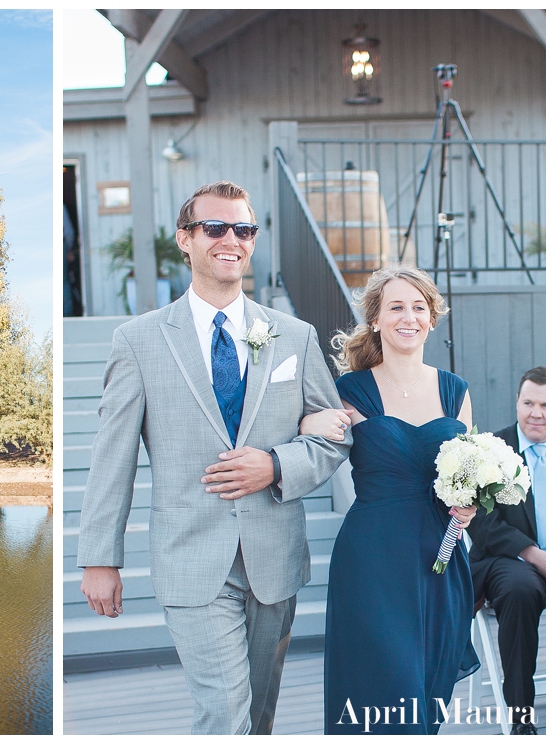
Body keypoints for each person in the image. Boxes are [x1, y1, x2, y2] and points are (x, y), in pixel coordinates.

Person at [76, 180, 351, 735]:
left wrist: (275, 465)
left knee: (259, 715)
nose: (232, 239)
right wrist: (99, 558)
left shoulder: (293, 336)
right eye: (216, 228)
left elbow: (333, 437)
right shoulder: (139, 341)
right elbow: (113, 455)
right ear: (186, 239)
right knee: (223, 715)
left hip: (273, 558)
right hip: (192, 558)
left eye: (244, 229)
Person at [301, 266, 479, 734]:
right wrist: (307, 425)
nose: (408, 317)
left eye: (419, 307)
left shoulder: (455, 391)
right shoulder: (350, 391)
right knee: (386, 690)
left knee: (427, 691)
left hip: (440, 561)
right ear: (375, 320)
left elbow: (469, 472)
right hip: (374, 562)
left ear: (432, 319)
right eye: (396, 307)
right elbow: (308, 439)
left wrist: (472, 504)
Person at [466, 366, 545, 735]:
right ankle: (521, 716)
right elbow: (482, 524)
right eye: (528, 402)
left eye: (547, 404)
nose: (537, 413)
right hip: (507, 562)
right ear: (516, 402)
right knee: (520, 589)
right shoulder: (492, 450)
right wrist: (536, 555)